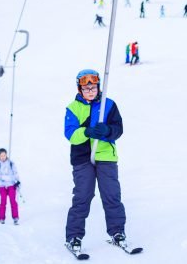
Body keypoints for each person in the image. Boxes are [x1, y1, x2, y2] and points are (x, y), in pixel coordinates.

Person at [64, 69, 127, 252]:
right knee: (83, 196)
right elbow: (70, 134)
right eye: (86, 88)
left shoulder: (109, 105)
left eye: (93, 88)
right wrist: (86, 131)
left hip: (105, 155)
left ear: (99, 87)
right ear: (80, 89)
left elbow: (118, 129)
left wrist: (107, 131)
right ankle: (74, 236)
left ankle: (117, 232)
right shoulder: (73, 108)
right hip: (82, 157)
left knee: (111, 194)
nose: (91, 91)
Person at [0, 148, 20, 224]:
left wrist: (17, 181)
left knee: (13, 202)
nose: (3, 157)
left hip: (11, 185)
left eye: (4, 155)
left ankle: (15, 217)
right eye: (1, 155)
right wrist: (8, 177)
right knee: (3, 202)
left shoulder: (11, 163)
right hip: (2, 186)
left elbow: (15, 173)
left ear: (6, 155)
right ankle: (2, 218)